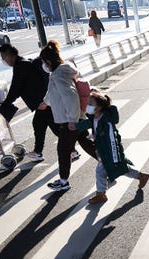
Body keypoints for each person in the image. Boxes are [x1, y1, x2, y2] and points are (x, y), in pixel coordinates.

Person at [40, 40, 97, 191]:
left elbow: (70, 96)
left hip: (69, 120)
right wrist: (45, 102)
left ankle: (63, 182)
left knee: (63, 151)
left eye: (43, 61)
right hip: (75, 117)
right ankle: (109, 164)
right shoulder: (59, 73)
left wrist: (72, 120)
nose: (43, 65)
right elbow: (53, 92)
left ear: (49, 61)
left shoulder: (59, 75)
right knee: (87, 144)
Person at [77, 91, 149, 204]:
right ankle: (141, 176)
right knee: (122, 169)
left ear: (99, 107)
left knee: (101, 171)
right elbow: (89, 124)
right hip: (102, 150)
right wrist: (75, 126)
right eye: (88, 103)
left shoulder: (107, 122)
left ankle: (101, 195)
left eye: (91, 104)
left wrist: (114, 156)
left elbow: (112, 140)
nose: (88, 106)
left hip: (110, 151)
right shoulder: (94, 117)